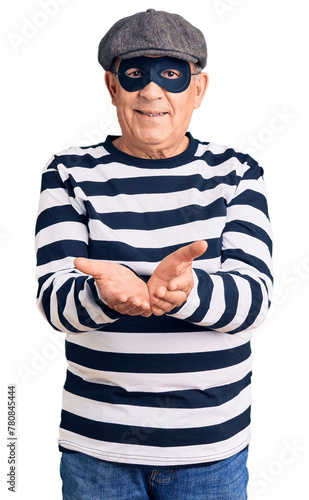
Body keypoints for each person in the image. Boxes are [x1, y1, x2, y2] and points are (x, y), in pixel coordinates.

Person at [35, 8, 273, 499]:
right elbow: (54, 298)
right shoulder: (67, 174)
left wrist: (186, 292)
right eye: (134, 73)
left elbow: (255, 299)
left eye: (171, 74)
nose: (151, 91)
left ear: (199, 90)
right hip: (98, 451)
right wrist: (106, 296)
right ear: (112, 86)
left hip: (212, 451)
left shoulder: (237, 174)